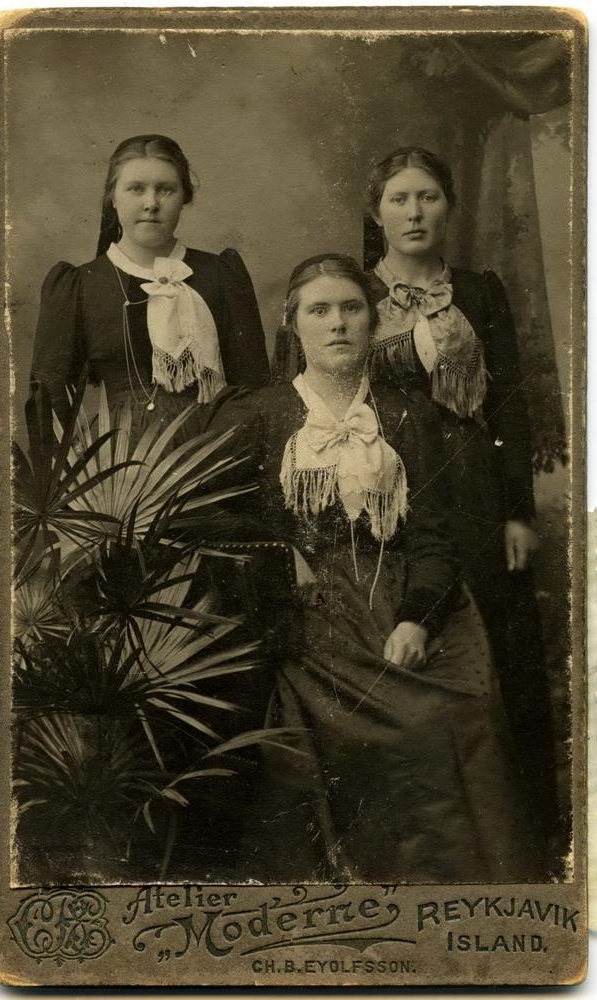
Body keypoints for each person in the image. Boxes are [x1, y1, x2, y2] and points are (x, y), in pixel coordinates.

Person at [206, 253, 548, 883]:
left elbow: (434, 539)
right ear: (292, 325)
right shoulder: (257, 415)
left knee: (455, 716)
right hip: (307, 613)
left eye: (351, 308)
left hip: (401, 599)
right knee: (360, 734)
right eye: (319, 311)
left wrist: (418, 620)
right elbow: (201, 519)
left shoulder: (408, 414)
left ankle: (449, 888)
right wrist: (279, 554)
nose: (337, 323)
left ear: (372, 320)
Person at [363, 146, 562, 851]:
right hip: (392, 485)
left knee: (501, 645)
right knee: (408, 636)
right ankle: (428, 833)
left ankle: (525, 830)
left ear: (448, 206)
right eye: (399, 199)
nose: (414, 213)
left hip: (476, 486)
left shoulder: (479, 291)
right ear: (376, 212)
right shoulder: (354, 293)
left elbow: (509, 404)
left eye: (429, 197)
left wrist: (517, 511)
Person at [31, 134, 269, 437]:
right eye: (136, 189)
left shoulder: (221, 275)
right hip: (119, 459)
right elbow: (49, 400)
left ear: (185, 197)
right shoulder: (80, 286)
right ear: (113, 198)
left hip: (215, 451)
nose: (151, 204)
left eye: (165, 190)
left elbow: (254, 388)